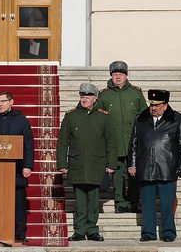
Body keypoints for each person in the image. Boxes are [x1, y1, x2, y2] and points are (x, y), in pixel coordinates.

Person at [57, 83, 117, 242]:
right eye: (82, 96)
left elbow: (111, 142)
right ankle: (79, 230)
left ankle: (92, 230)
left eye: (88, 96)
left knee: (93, 200)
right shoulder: (71, 116)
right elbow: (63, 142)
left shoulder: (104, 116)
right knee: (80, 201)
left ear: (95, 99)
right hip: (77, 164)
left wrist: (111, 164)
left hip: (97, 164)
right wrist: (62, 163)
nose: (84, 99)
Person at [128, 89, 181, 243]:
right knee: (147, 204)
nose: (153, 108)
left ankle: (168, 232)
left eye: (157, 105)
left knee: (167, 204)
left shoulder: (177, 119)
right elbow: (133, 144)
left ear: (165, 105)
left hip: (167, 168)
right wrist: (132, 164)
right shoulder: (140, 120)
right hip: (145, 167)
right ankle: (148, 232)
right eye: (151, 105)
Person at [98, 60, 147, 213]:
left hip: (134, 142)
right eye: (115, 74)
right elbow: (99, 119)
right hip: (114, 142)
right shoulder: (104, 95)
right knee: (118, 175)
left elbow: (145, 116)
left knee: (133, 173)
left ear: (126, 76)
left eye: (121, 74)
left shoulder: (136, 93)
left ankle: (133, 201)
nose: (118, 77)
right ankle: (120, 202)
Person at [0, 91, 34, 245]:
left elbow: (28, 144)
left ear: (11, 102)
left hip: (16, 171)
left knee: (19, 205)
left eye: (3, 101)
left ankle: (20, 234)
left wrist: (28, 166)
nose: (0, 104)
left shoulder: (21, 120)